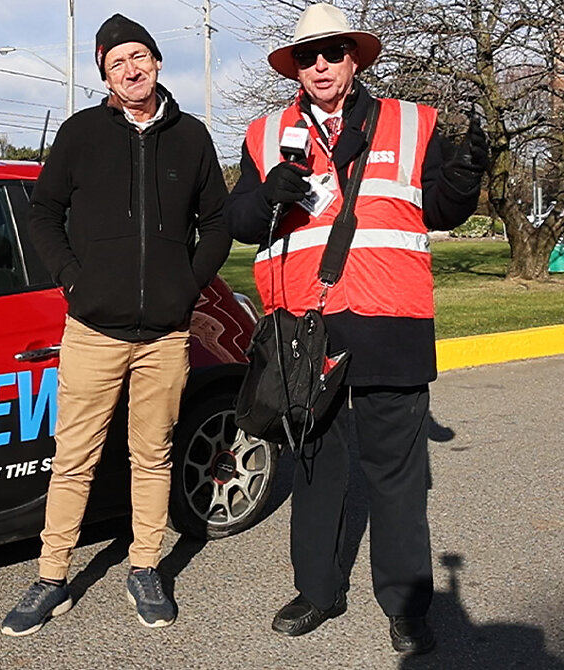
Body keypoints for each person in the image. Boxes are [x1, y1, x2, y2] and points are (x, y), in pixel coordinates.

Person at [225, 3, 486, 656]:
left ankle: (405, 607)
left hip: (391, 330)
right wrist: (267, 197)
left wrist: (465, 178)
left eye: (333, 51)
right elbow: (238, 219)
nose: (320, 63)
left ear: (354, 59)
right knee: (316, 469)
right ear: (294, 65)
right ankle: (318, 591)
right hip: (303, 338)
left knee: (397, 482)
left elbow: (442, 208)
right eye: (308, 55)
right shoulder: (265, 134)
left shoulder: (412, 122)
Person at [2, 13, 231, 636]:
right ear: (105, 75)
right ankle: (52, 576)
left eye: (138, 56)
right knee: (74, 457)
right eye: (115, 63)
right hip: (93, 332)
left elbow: (217, 222)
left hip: (165, 334)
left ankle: (145, 567)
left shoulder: (192, 137)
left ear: (156, 61)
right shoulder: (80, 134)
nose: (130, 70)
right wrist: (75, 281)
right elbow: (43, 213)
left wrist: (187, 284)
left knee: (152, 456)